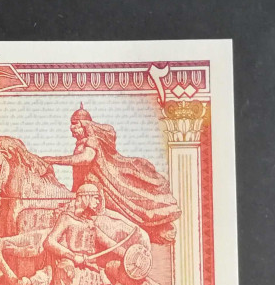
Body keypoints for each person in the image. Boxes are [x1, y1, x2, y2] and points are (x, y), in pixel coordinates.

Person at [42, 104, 181, 244]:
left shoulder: (92, 140)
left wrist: (53, 160)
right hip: (84, 189)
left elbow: (85, 159)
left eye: (74, 124)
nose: (72, 128)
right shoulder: (81, 143)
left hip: (94, 190)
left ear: (84, 124)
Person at [42, 185, 118, 285]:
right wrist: (72, 256)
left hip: (90, 271)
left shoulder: (91, 223)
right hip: (71, 264)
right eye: (95, 198)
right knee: (66, 269)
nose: (97, 202)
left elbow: (109, 243)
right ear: (85, 197)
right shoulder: (67, 218)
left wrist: (128, 251)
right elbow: (49, 242)